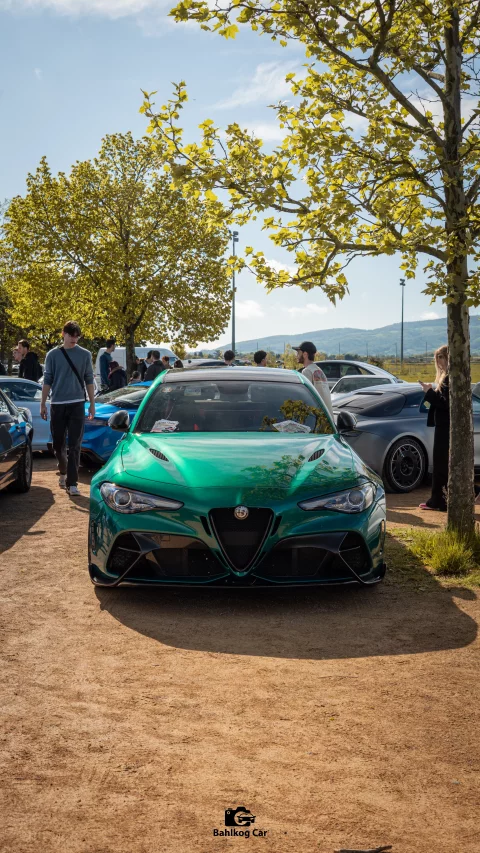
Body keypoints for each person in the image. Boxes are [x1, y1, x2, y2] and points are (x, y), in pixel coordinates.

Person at [41, 321, 95, 497]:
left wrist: (92, 403)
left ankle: (72, 483)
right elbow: (47, 379)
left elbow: (89, 379)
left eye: (77, 336)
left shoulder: (85, 354)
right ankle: (63, 470)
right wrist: (43, 403)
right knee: (58, 444)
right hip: (57, 404)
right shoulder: (52, 355)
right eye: (71, 335)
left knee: (75, 445)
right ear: (63, 334)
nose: (74, 339)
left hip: (77, 404)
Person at [419, 345, 449, 512]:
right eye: (437, 359)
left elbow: (445, 403)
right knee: (441, 464)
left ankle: (438, 501)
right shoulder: (447, 377)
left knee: (441, 465)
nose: (439, 362)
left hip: (445, 426)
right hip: (443, 426)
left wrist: (429, 392)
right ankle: (438, 500)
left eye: (441, 358)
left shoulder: (449, 378)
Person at [293, 341, 334, 420]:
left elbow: (305, 398)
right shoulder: (318, 370)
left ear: (305, 354)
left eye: (298, 353)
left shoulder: (307, 371)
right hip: (328, 418)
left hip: (318, 419)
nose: (296, 355)